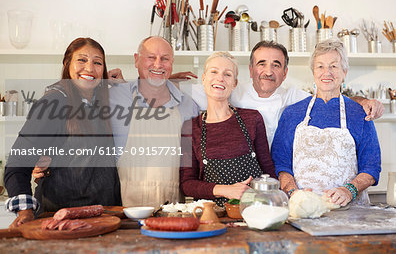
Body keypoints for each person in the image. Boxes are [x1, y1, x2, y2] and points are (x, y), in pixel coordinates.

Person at [4, 38, 121, 228]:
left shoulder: (101, 103)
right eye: (81, 60)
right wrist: (25, 211)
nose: (90, 68)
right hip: (58, 218)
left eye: (97, 62)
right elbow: (18, 162)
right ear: (67, 64)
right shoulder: (54, 103)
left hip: (104, 216)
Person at [188, 41, 384, 147]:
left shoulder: (293, 97)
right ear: (250, 69)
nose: (268, 71)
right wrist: (167, 76)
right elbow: (179, 93)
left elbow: (331, 99)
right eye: (261, 63)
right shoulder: (230, 88)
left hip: (281, 176)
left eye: (276, 65)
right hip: (242, 175)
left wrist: (363, 101)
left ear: (285, 73)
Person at [271, 39, 382, 206]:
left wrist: (349, 190)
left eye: (334, 66)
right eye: (320, 66)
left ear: (344, 72)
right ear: (313, 71)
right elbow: (281, 164)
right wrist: (294, 193)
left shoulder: (360, 113)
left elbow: (372, 167)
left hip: (350, 212)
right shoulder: (292, 113)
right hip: (302, 209)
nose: (326, 72)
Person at [109, 36, 199, 207]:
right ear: (136, 60)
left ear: (172, 63)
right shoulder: (114, 96)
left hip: (172, 213)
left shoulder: (189, 106)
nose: (158, 64)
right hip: (123, 213)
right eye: (151, 57)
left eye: (165, 59)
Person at [180, 52, 276, 207]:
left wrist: (279, 201)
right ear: (203, 79)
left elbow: (268, 169)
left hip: (255, 210)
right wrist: (226, 190)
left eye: (227, 74)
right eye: (214, 72)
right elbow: (187, 184)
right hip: (212, 215)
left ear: (234, 83)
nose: (220, 78)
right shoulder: (190, 127)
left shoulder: (252, 119)